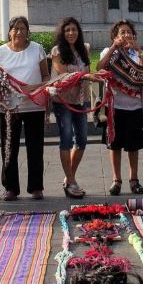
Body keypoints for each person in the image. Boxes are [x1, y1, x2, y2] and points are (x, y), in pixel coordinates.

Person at [0, 16, 50, 201]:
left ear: (28, 31)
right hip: (10, 108)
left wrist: (33, 89)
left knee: (35, 147)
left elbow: (46, 77)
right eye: (15, 28)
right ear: (9, 31)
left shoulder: (37, 49)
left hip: (34, 106)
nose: (19, 32)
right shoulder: (0, 52)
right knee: (9, 148)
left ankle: (36, 187)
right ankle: (10, 187)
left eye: (22, 28)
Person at [97, 19, 143, 195]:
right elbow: (99, 68)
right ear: (115, 36)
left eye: (129, 32)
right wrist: (113, 48)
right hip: (115, 106)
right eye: (122, 33)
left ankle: (134, 179)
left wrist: (139, 51)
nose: (126, 35)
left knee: (133, 146)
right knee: (115, 144)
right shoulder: (109, 52)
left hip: (134, 106)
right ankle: (116, 180)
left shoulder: (136, 54)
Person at [50, 17, 92, 199]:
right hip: (63, 101)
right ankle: (71, 181)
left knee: (82, 140)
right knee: (66, 139)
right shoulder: (57, 51)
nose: (71, 33)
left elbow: (88, 72)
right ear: (62, 32)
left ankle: (69, 178)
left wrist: (91, 77)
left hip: (80, 99)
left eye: (74, 30)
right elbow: (63, 73)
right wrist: (83, 76)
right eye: (67, 30)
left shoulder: (85, 49)